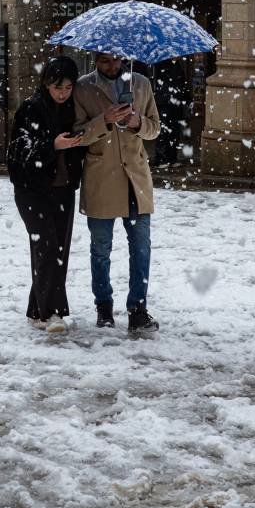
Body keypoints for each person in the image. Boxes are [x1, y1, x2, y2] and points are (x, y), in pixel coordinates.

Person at [73, 53, 162, 334]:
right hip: (102, 178)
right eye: (103, 61)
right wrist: (104, 119)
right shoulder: (83, 88)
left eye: (115, 61)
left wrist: (137, 123)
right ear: (95, 60)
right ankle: (104, 307)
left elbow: (154, 129)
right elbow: (78, 135)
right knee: (101, 249)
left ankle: (138, 309)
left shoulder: (141, 84)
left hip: (135, 177)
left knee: (141, 248)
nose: (111, 66)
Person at [7, 56, 84, 334]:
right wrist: (53, 144)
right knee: (47, 245)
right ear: (46, 84)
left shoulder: (75, 109)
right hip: (32, 190)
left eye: (67, 88)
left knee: (57, 251)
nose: (62, 93)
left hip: (63, 189)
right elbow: (18, 149)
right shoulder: (31, 108)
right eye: (57, 88)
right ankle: (52, 313)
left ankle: (37, 309)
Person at [149, 58, 191, 166]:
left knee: (174, 131)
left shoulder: (177, 64)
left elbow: (181, 82)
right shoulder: (162, 63)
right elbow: (164, 82)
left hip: (175, 103)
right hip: (164, 102)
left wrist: (187, 98)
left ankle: (171, 158)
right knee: (164, 131)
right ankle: (161, 159)